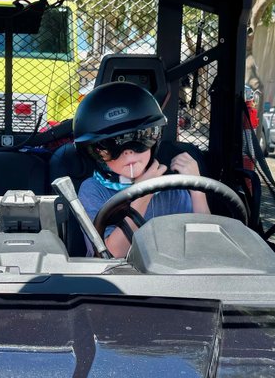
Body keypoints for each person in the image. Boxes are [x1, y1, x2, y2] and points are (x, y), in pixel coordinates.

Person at [74, 81, 208, 258]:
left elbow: (205, 246)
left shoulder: (172, 187)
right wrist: (143, 192)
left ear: (155, 138)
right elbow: (110, 257)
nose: (128, 152)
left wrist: (197, 188)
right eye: (111, 146)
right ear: (95, 153)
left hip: (171, 278)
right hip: (118, 281)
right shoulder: (93, 189)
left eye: (139, 138)